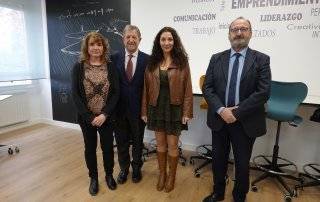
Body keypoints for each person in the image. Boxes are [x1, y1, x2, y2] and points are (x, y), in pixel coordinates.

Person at [202, 17, 271, 202]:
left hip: (245, 121)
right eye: (235, 29)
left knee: (241, 163)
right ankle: (218, 193)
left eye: (244, 29)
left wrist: (236, 113)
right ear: (229, 33)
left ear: (250, 33)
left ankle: (239, 196)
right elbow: (207, 88)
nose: (239, 32)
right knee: (218, 160)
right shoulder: (216, 58)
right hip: (219, 119)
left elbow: (263, 92)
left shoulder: (261, 59)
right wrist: (221, 110)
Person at [141, 26, 193, 193]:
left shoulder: (182, 62)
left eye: (170, 39)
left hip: (174, 108)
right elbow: (146, 89)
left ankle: (172, 176)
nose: (166, 42)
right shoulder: (152, 62)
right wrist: (144, 111)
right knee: (160, 145)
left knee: (172, 145)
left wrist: (187, 112)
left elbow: (187, 88)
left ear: (174, 41)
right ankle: (162, 174)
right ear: (159, 42)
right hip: (156, 108)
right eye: (163, 39)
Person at [71, 32, 120, 195]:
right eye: (92, 44)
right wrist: (89, 117)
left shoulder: (111, 66)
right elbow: (75, 94)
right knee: (90, 149)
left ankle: (108, 175)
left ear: (103, 47)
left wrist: (104, 114)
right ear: (87, 47)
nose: (96, 48)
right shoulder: (78, 67)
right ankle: (93, 178)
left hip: (106, 117)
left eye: (99, 44)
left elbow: (116, 93)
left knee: (107, 148)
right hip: (87, 119)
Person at [111, 25, 149, 184]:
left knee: (138, 142)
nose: (131, 40)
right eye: (128, 37)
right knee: (121, 143)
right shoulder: (113, 59)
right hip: (119, 111)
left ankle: (137, 168)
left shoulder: (148, 60)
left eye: (134, 37)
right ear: (123, 39)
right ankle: (124, 169)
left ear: (140, 39)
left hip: (139, 111)